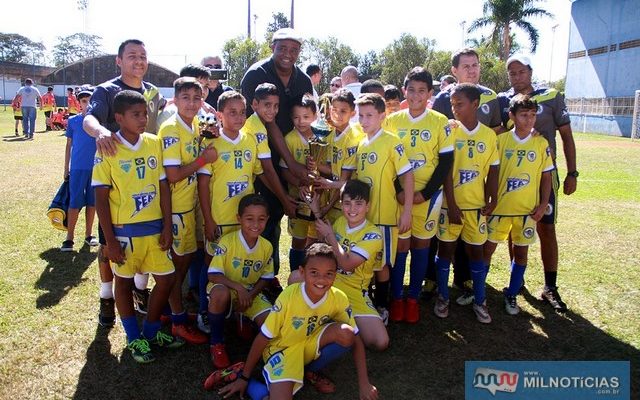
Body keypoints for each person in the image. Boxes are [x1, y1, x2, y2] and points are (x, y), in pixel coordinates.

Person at [92, 90, 184, 363]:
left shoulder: (154, 142)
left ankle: (152, 330)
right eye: (136, 115)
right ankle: (134, 338)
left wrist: (167, 226)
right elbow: (100, 197)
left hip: (155, 228)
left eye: (145, 113)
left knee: (166, 278)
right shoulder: (108, 147)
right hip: (125, 232)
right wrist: (109, 241)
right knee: (124, 281)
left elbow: (163, 187)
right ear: (118, 117)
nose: (143, 119)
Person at [218, 243, 378, 400]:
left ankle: (307, 371)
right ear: (302, 272)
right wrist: (245, 377)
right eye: (314, 272)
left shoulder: (339, 298)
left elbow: (356, 338)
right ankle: (242, 377)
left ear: (336, 275)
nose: (321, 279)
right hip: (282, 350)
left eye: (329, 274)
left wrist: (364, 383)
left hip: (308, 343)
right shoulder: (288, 297)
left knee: (347, 333)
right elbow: (264, 337)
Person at [83, 39, 167, 316]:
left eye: (143, 55)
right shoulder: (107, 90)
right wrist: (101, 133)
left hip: (148, 170)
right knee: (110, 242)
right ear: (119, 61)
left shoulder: (152, 92)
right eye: (132, 56)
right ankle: (107, 295)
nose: (139, 61)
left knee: (147, 238)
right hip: (115, 176)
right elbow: (89, 119)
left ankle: (140, 290)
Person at [498, 55, 577, 312]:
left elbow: (566, 135)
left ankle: (550, 287)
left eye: (521, 72)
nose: (517, 77)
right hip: (513, 180)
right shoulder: (504, 100)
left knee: (546, 228)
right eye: (512, 73)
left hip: (543, 176)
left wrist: (572, 173)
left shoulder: (551, 95)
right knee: (514, 228)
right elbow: (499, 133)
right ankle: (516, 283)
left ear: (530, 71)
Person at [431, 47, 504, 306]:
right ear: (455, 70)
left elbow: (496, 136)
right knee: (442, 243)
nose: (472, 70)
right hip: (446, 195)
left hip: (475, 198)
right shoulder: (443, 102)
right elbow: (443, 157)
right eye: (466, 66)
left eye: (475, 65)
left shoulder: (490, 102)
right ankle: (437, 286)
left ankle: (468, 284)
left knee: (473, 246)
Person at [241, 28, 313, 277]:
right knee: (266, 221)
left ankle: (298, 275)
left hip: (289, 156)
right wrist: (291, 162)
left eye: (294, 50)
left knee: (299, 219)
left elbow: (306, 118)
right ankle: (267, 279)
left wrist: (301, 160)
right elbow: (267, 120)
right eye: (282, 47)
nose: (287, 54)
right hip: (264, 158)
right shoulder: (255, 75)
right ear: (272, 47)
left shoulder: (303, 80)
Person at [384, 67, 453, 323]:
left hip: (428, 197)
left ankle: (413, 298)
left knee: (421, 245)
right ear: (404, 91)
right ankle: (397, 297)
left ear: (429, 93)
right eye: (411, 90)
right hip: (399, 197)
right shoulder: (392, 121)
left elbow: (446, 163)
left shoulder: (439, 121)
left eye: (421, 90)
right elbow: (387, 158)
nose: (415, 95)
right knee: (401, 245)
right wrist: (400, 191)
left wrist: (426, 193)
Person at [157, 77, 217, 345]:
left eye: (197, 98)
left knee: (183, 261)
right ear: (175, 99)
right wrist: (205, 159)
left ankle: (171, 311)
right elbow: (172, 175)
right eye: (186, 97)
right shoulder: (171, 128)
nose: (192, 103)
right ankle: (176, 318)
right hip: (177, 208)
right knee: (176, 267)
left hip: (190, 204)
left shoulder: (194, 124)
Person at [484, 94, 553, 315]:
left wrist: (543, 204)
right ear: (512, 116)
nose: (529, 120)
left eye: (533, 115)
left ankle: (512, 293)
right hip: (500, 209)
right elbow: (490, 172)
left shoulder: (541, 143)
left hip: (527, 212)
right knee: (487, 251)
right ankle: (479, 292)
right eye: (524, 115)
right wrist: (489, 200)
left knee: (521, 254)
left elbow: (546, 177)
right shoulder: (500, 141)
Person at [355, 93, 414, 324]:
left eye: (369, 115)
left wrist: (407, 211)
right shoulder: (361, 143)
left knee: (382, 264)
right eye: (360, 115)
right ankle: (367, 301)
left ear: (382, 116)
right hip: (363, 217)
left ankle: (382, 306)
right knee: (366, 260)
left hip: (385, 218)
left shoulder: (391, 141)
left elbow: (407, 176)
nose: (364, 120)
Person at [310, 179, 389, 351]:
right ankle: (333, 318)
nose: (352, 209)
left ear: (367, 206)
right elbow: (323, 241)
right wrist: (316, 211)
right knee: (295, 277)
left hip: (354, 292)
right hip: (329, 284)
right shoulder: (339, 222)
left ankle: (334, 318)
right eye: (347, 203)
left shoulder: (373, 235)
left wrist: (331, 236)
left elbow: (346, 265)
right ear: (341, 204)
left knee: (380, 342)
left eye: (358, 204)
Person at [207, 194, 274, 369]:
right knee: (219, 293)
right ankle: (216, 343)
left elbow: (266, 278)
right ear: (239, 219)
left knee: (271, 324)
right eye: (249, 219)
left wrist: (250, 295)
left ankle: (242, 317)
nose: (255, 224)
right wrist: (239, 288)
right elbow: (213, 275)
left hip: (251, 292)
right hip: (226, 288)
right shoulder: (227, 241)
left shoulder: (267, 246)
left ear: (267, 219)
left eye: (261, 219)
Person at [280, 94, 320, 271]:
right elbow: (284, 170)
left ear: (315, 116)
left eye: (306, 117)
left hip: (320, 199)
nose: (301, 121)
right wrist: (299, 183)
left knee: (319, 236)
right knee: (298, 239)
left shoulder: (322, 137)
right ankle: (295, 276)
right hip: (298, 199)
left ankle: (314, 273)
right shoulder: (289, 139)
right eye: (296, 117)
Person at [312, 88, 361, 224]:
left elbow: (344, 182)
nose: (337, 115)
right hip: (332, 200)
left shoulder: (352, 139)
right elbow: (331, 169)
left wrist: (327, 207)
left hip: (346, 203)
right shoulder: (330, 134)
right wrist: (315, 165)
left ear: (353, 113)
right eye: (334, 110)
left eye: (343, 111)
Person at [62, 88, 99, 252]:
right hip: (77, 168)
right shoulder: (73, 121)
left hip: (96, 168)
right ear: (79, 103)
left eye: (90, 100)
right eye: (84, 101)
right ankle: (69, 238)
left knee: (92, 202)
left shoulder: (99, 122)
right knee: (75, 202)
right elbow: (69, 145)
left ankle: (89, 235)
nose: (87, 104)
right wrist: (66, 168)